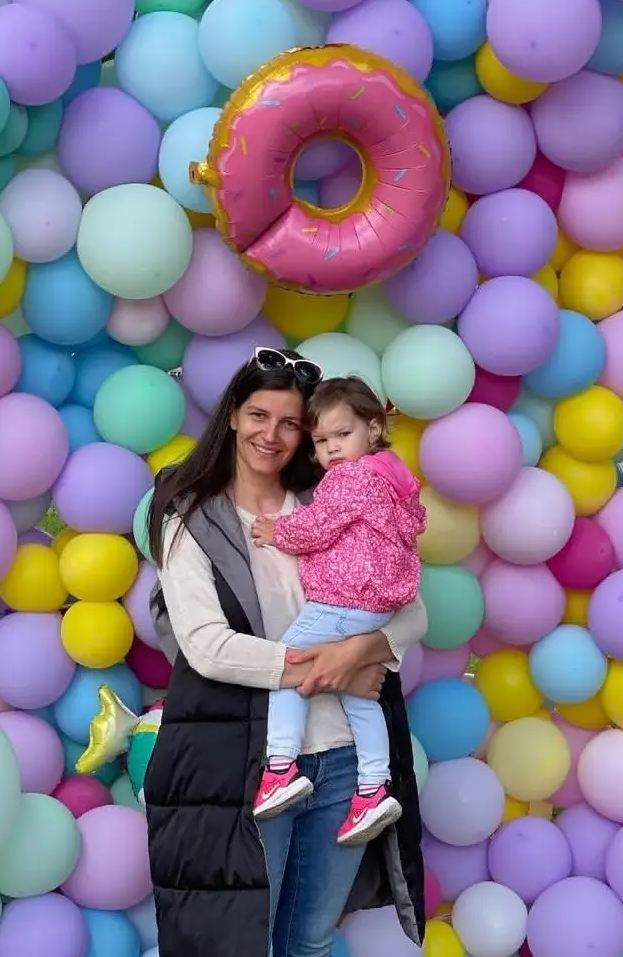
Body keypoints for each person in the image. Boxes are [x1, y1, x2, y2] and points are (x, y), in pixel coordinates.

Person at [144, 347, 427, 957]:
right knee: (243, 942)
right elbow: (208, 647)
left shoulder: (332, 504)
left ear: (309, 433)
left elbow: (412, 611)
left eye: (291, 423)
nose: (271, 434)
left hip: (343, 763)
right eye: (258, 415)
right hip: (249, 764)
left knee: (312, 939)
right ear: (232, 416)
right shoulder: (192, 519)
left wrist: (360, 652)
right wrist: (333, 670)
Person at [251, 376, 426, 848]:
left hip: (344, 599)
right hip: (376, 608)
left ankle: (280, 767)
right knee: (360, 698)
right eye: (321, 441)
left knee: (288, 663)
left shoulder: (353, 477)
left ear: (374, 428)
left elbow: (318, 525)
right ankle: (373, 788)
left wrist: (277, 532)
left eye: (342, 435)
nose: (331, 449)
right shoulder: (393, 479)